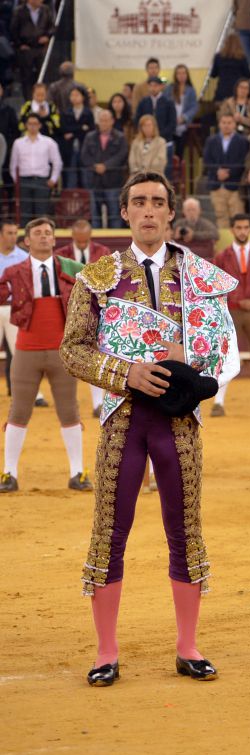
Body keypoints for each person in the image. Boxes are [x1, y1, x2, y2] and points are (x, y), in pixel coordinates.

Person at [59, 170, 240, 685]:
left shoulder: (199, 274)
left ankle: (187, 646)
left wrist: (193, 355)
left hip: (179, 421)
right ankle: (105, 652)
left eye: (157, 202)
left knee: (185, 531)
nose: (147, 210)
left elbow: (223, 347)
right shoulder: (98, 276)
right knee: (109, 533)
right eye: (138, 202)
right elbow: (72, 348)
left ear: (170, 211)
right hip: (124, 418)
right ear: (123, 212)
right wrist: (126, 372)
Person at [0, 217, 91, 493]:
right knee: (19, 410)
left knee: (69, 410)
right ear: (26, 241)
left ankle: (77, 472)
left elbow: (97, 288)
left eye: (47, 233)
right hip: (26, 350)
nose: (43, 237)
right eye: (37, 233)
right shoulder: (13, 273)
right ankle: (8, 473)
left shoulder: (72, 269)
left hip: (61, 350)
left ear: (54, 239)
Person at [211, 214, 250, 416]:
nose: (242, 231)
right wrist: (236, 300)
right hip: (231, 311)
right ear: (232, 230)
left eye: (246, 227)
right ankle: (218, 403)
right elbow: (216, 285)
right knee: (225, 357)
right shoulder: (222, 257)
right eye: (239, 227)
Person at [55, 220, 112, 417]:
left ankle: (98, 403)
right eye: (77, 241)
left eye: (84, 240)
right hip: (68, 307)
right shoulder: (61, 256)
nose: (81, 244)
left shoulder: (103, 251)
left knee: (96, 351)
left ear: (89, 236)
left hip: (98, 307)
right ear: (72, 236)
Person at [80, 110, 129, 230]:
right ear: (98, 122)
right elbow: (84, 156)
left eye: (106, 120)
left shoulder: (120, 137)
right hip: (94, 181)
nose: (104, 123)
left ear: (112, 121)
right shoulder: (89, 137)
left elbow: (122, 155)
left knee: (114, 214)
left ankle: (116, 242)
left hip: (113, 182)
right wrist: (95, 166)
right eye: (101, 120)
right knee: (95, 216)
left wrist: (106, 166)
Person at [9, 113, 60, 221]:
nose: (32, 126)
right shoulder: (18, 143)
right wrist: (17, 181)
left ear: (40, 125)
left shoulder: (49, 142)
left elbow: (57, 162)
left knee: (41, 213)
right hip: (24, 181)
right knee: (24, 214)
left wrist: (53, 179)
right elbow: (13, 165)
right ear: (26, 125)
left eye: (35, 124)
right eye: (30, 124)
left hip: (42, 181)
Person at [203, 114, 250, 229]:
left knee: (237, 217)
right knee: (220, 216)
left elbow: (244, 161)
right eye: (224, 123)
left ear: (234, 124)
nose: (226, 125)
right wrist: (217, 171)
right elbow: (207, 160)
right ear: (219, 124)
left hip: (235, 185)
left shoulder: (242, 141)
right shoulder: (211, 140)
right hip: (216, 185)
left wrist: (229, 173)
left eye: (229, 123)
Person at [0, 221, 29, 397]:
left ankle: (27, 392)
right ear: (1, 235)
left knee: (20, 353)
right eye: (9, 233)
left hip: (14, 308)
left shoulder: (23, 257)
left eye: (14, 233)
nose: (13, 236)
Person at [10, 0, 55, 99]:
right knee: (26, 77)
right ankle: (28, 100)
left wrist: (47, 36)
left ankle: (43, 99)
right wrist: (19, 44)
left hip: (41, 48)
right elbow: (14, 29)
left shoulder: (45, 10)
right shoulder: (19, 11)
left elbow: (52, 26)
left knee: (43, 76)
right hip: (26, 48)